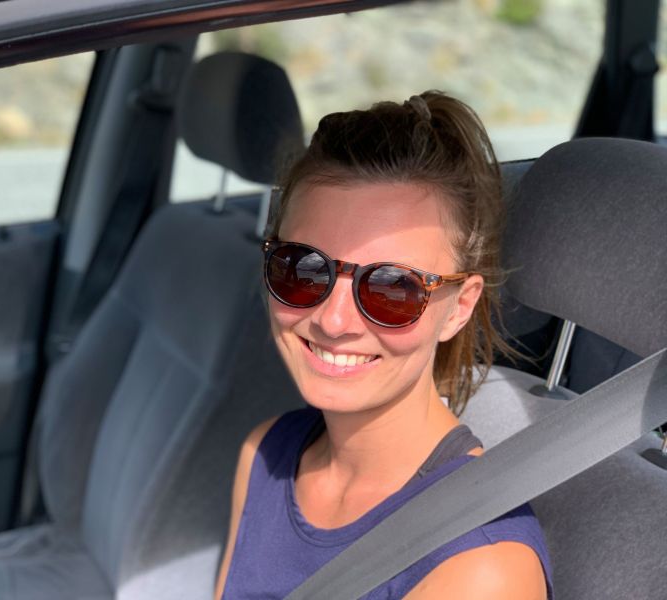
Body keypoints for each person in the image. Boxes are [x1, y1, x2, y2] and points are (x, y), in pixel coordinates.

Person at [214, 91, 552, 599]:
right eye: (302, 270)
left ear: (459, 308)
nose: (333, 321)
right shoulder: (265, 454)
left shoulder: (482, 566)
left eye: (393, 288)